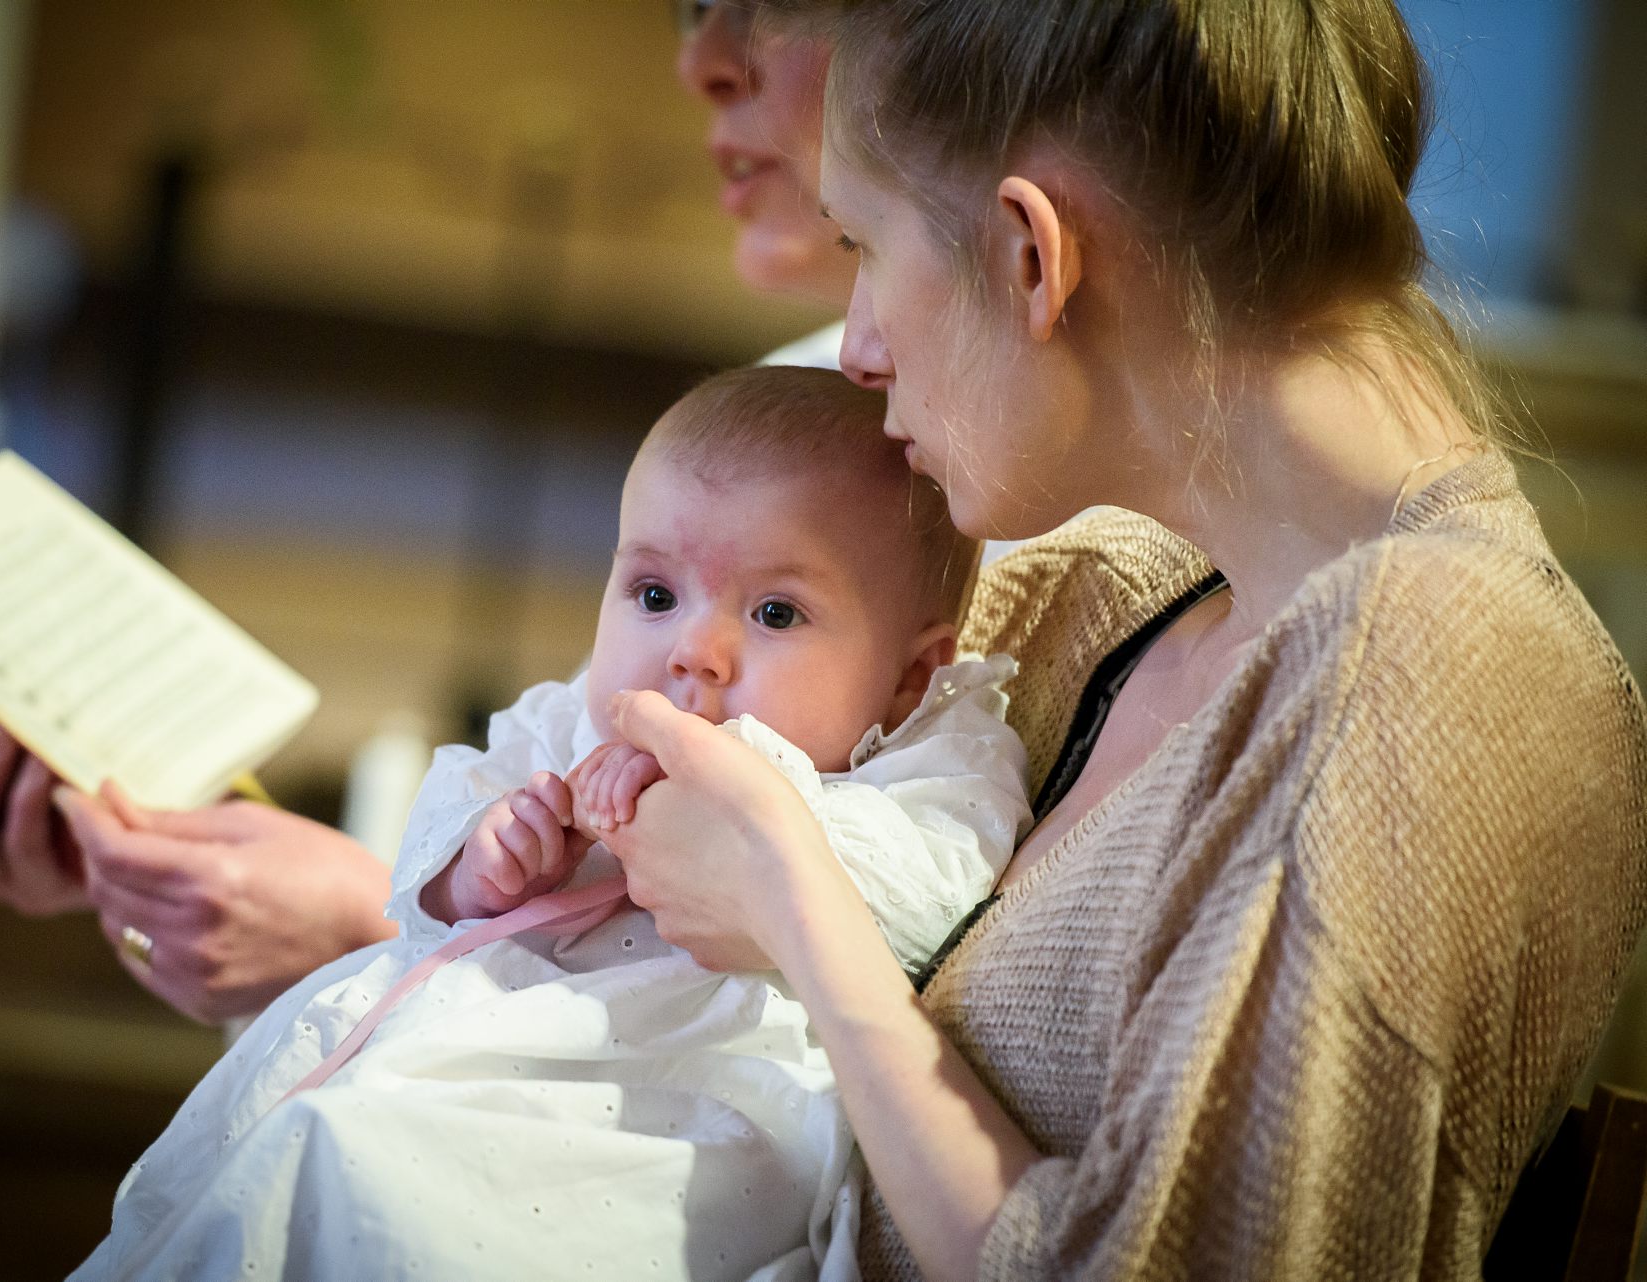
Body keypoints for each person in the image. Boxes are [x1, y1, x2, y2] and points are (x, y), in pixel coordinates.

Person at [580, 0, 1647, 1277]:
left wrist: (797, 909)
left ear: (1034, 254)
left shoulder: (1439, 666)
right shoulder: (1110, 591)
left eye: (865, 245)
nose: (857, 347)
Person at [0, 0, 854, 1024]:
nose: (700, 63)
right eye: (691, 9)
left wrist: (357, 929)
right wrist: (145, 853)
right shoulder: (772, 399)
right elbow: (557, 806)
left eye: (768, 6)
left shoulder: (939, 489)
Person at [68, 365, 1032, 1280]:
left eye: (777, 613)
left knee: (356, 1173)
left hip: (672, 1124)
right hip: (455, 1066)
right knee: (293, 1156)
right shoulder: (568, 723)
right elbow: (441, 826)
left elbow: (930, 913)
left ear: (910, 675)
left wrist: (742, 788)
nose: (695, 650)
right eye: (654, 596)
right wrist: (484, 859)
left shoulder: (937, 756)